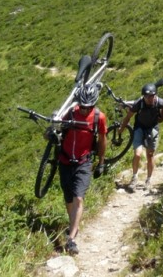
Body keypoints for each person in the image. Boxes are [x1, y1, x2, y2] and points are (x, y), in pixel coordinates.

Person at [57, 83, 107, 255]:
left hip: (83, 162)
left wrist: (101, 162)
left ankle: (71, 239)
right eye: (83, 107)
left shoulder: (99, 117)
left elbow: (102, 140)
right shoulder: (69, 112)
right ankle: (73, 226)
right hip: (64, 160)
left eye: (89, 107)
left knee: (79, 197)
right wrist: (49, 134)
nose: (85, 110)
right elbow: (54, 131)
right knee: (68, 197)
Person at [119, 82, 163, 190]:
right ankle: (134, 178)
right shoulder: (138, 104)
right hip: (139, 128)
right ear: (143, 96)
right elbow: (128, 117)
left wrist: (162, 118)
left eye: (152, 96)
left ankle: (148, 180)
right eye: (147, 96)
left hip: (152, 128)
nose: (149, 98)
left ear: (155, 95)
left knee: (150, 155)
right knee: (137, 154)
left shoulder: (159, 102)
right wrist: (122, 128)